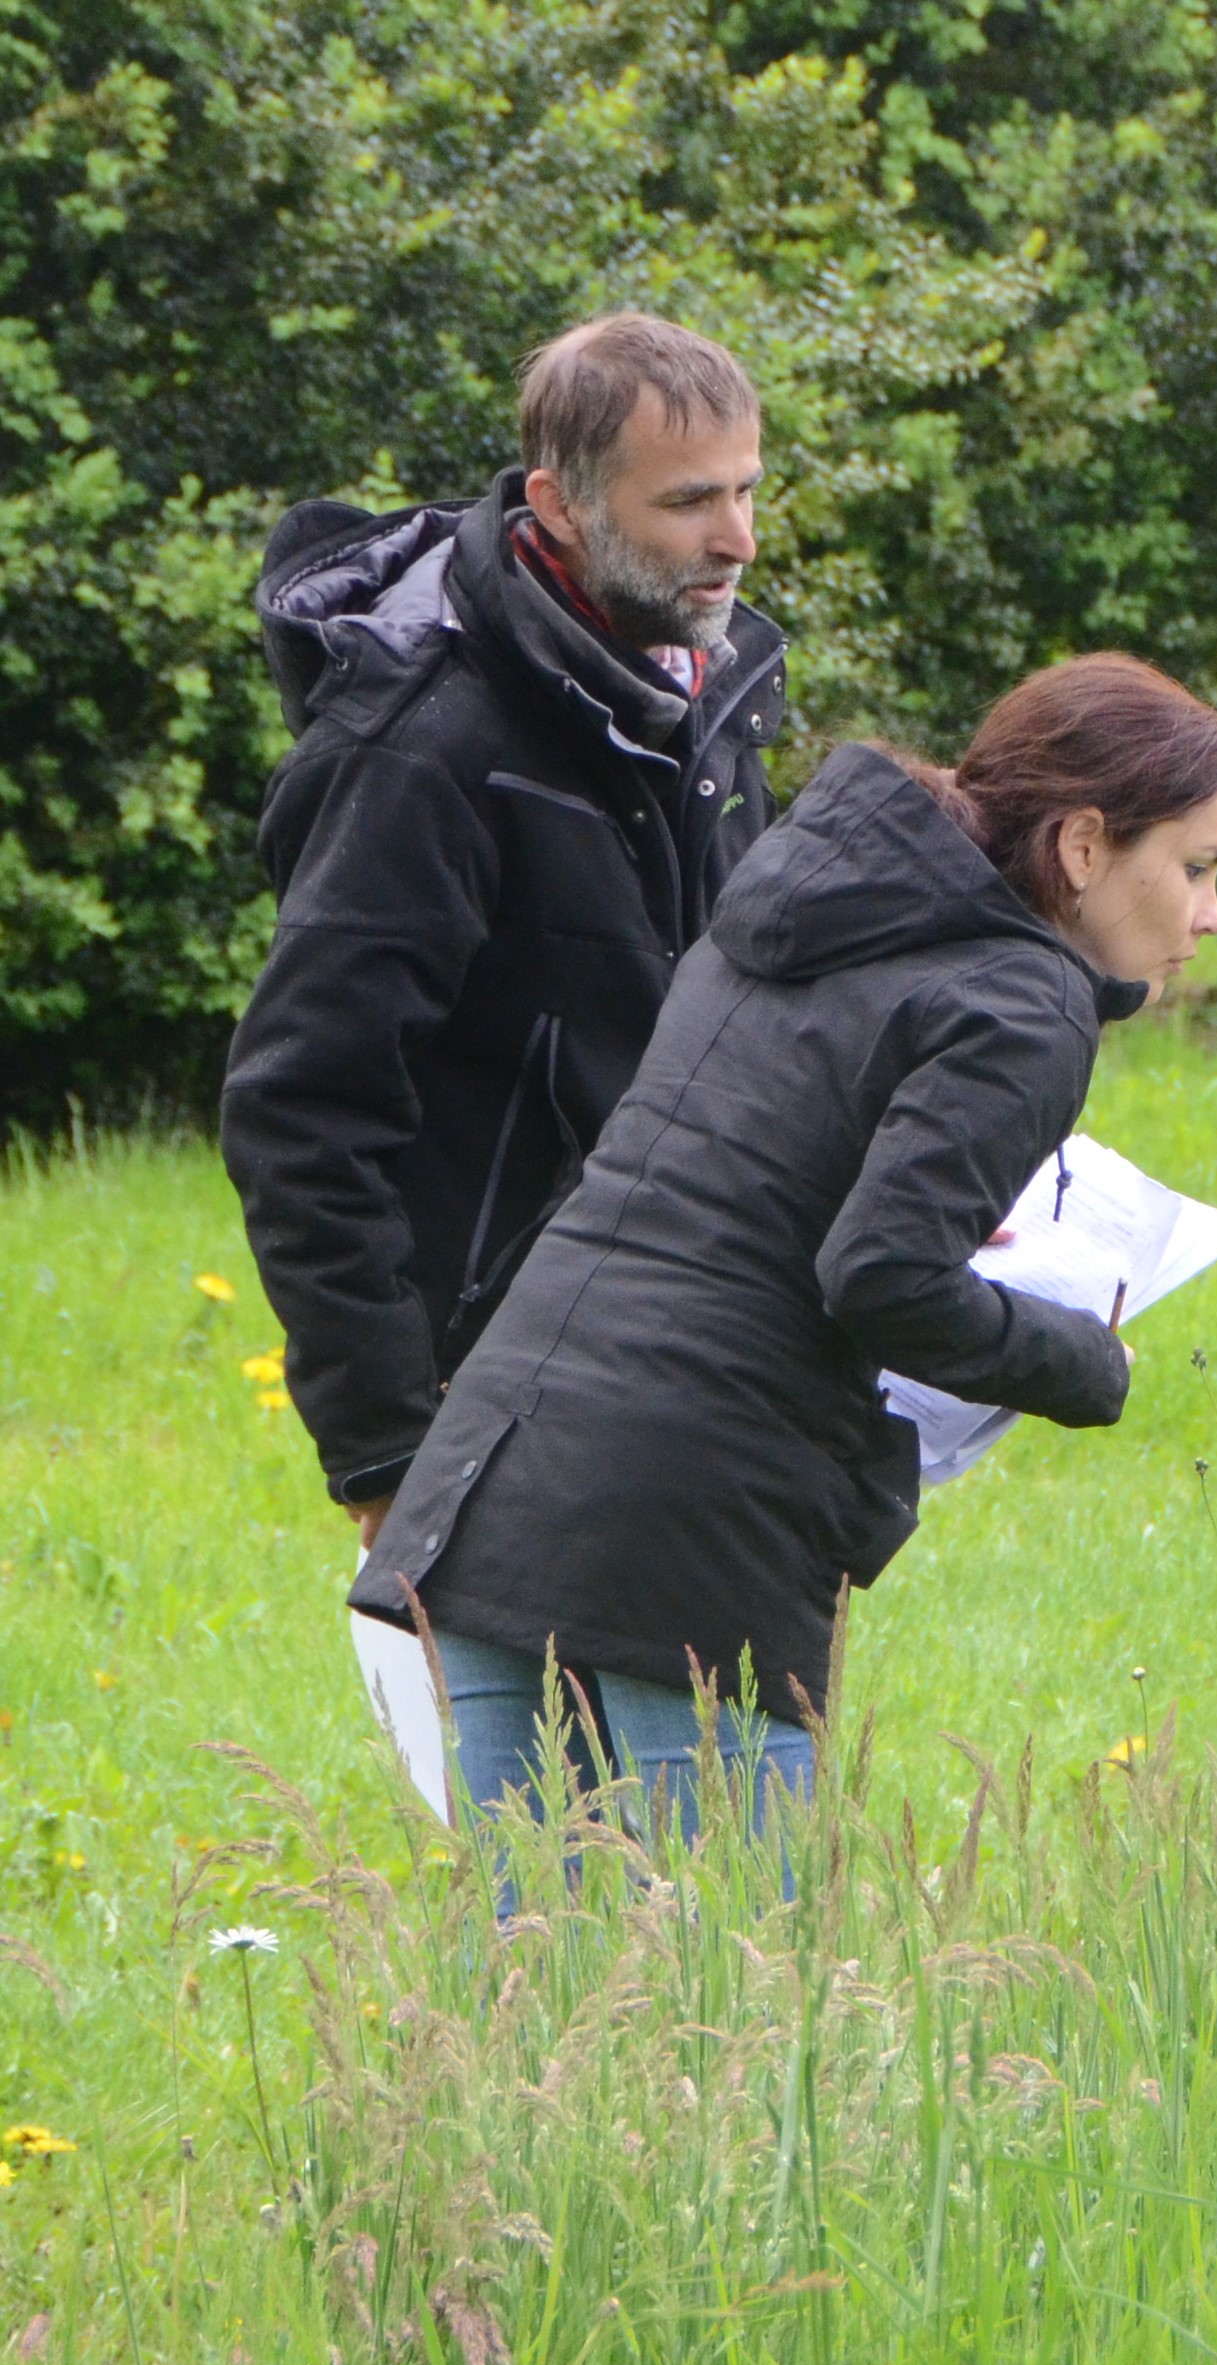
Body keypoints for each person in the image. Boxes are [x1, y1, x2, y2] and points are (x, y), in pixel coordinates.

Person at [347, 656, 1217, 1848]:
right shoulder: (1026, 999)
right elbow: (881, 1274)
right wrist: (1084, 1360)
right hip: (688, 1529)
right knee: (731, 1991)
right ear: (1083, 846)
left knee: (532, 1986)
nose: (1209, 917)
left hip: (497, 1478)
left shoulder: (793, 906)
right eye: (1194, 867)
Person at [225, 314, 791, 1545]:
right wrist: (386, 1446)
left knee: (723, 1743)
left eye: (748, 490)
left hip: (699, 1360)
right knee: (545, 1751)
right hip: (492, 1401)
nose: (739, 541)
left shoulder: (710, 691)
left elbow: (737, 1016)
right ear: (562, 503)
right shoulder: (425, 747)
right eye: (690, 501)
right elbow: (301, 1107)